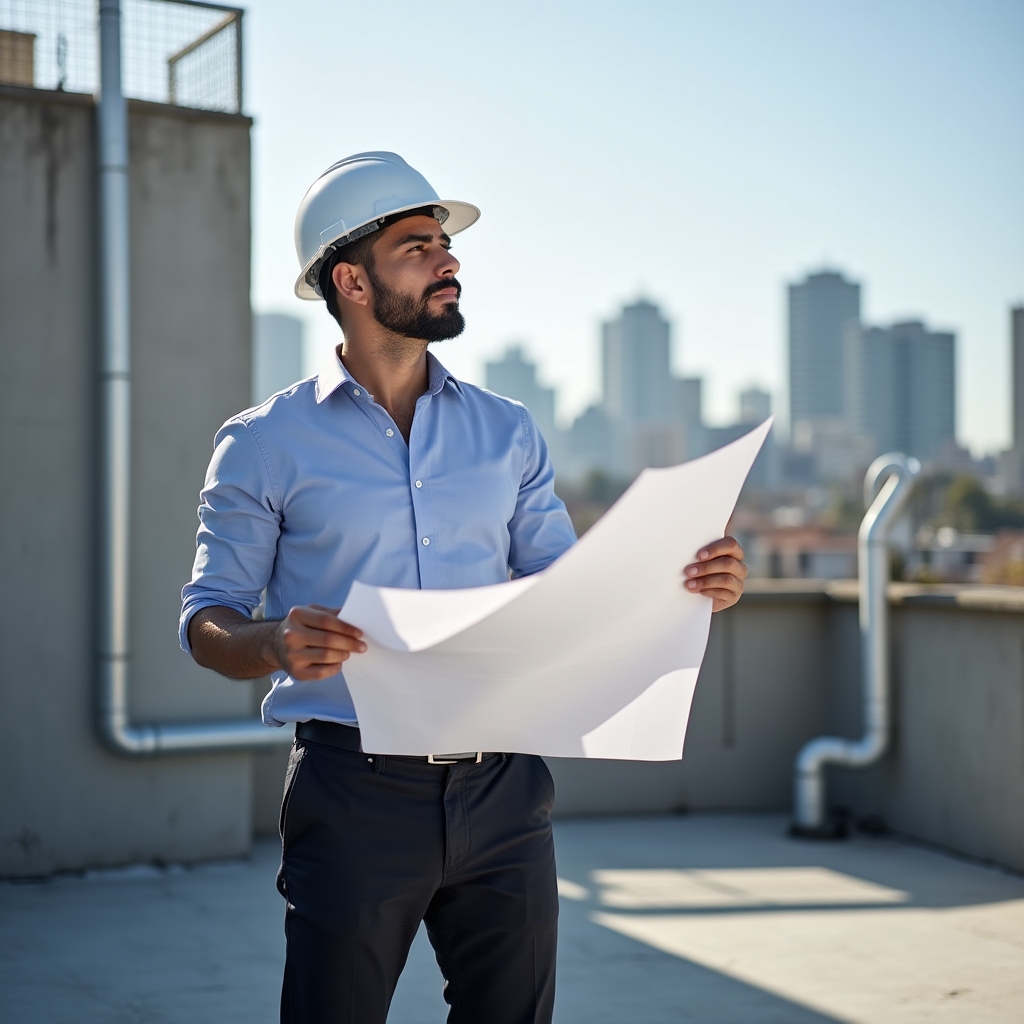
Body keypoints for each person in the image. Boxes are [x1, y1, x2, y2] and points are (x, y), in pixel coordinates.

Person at [180, 152, 748, 1024]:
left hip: (507, 788)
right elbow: (206, 622)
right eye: (419, 247)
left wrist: (683, 584)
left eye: (445, 245)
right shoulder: (263, 443)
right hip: (354, 792)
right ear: (352, 280)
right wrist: (273, 644)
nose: (450, 262)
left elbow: (568, 592)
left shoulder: (507, 431)